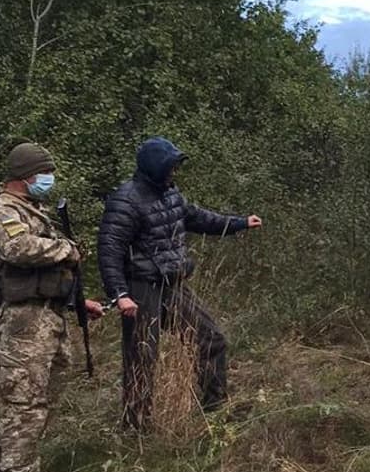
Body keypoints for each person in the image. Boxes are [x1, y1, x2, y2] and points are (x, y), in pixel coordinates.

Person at [0, 142, 106, 472]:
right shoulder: (1, 209)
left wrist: (77, 303)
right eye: (46, 173)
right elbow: (17, 249)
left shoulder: (33, 210)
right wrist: (67, 249)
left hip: (46, 317)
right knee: (25, 405)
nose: (50, 179)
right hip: (21, 323)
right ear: (26, 175)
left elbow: (45, 276)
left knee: (36, 405)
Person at [97, 137, 262, 429]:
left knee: (211, 339)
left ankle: (214, 412)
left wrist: (239, 223)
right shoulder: (125, 200)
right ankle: (136, 429)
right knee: (142, 357)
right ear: (155, 167)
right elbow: (109, 251)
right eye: (170, 166)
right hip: (141, 288)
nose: (174, 172)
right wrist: (120, 293)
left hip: (172, 284)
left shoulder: (170, 193)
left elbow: (198, 218)